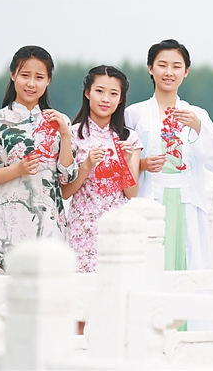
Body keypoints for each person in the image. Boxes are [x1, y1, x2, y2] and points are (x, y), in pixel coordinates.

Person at [0, 45, 77, 275]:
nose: (31, 83)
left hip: (50, 223)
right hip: (10, 223)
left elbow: (68, 177)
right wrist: (16, 170)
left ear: (48, 80)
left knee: (51, 293)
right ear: (13, 75)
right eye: (25, 75)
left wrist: (66, 133)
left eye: (39, 77)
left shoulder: (59, 122)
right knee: (6, 294)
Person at [124, 39, 213, 271]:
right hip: (149, 197)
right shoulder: (135, 114)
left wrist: (198, 127)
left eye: (177, 66)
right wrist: (142, 164)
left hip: (188, 200)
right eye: (162, 65)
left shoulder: (197, 113)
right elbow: (122, 159)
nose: (169, 72)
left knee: (189, 262)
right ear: (150, 68)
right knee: (149, 263)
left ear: (186, 72)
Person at [62, 65, 142, 274]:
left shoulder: (129, 138)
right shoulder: (71, 135)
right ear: (87, 93)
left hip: (117, 228)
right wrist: (86, 166)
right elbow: (65, 192)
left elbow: (131, 193)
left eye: (113, 93)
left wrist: (126, 161)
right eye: (99, 91)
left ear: (121, 99)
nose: (106, 99)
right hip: (82, 228)